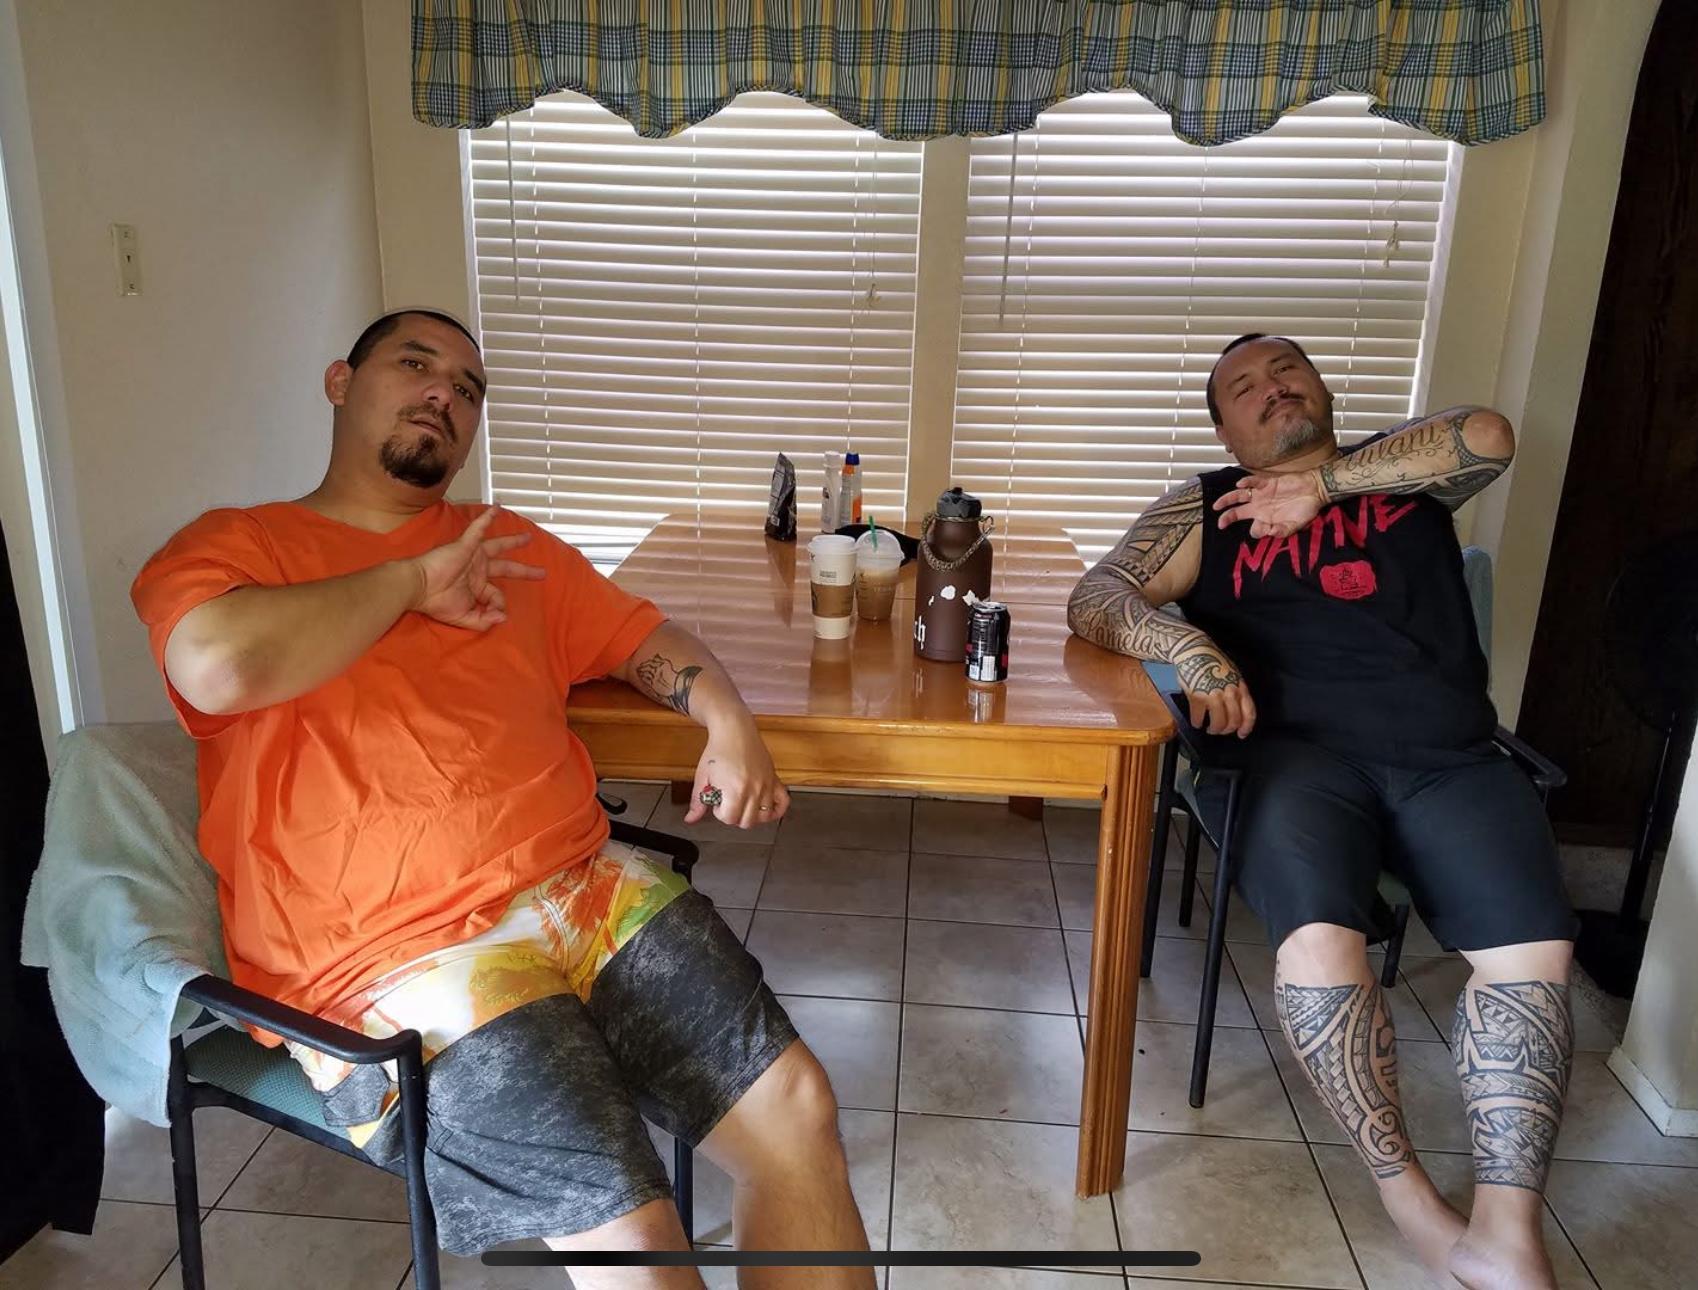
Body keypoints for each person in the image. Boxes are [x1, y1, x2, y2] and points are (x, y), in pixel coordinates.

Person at [131, 309, 874, 1290]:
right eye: (416, 364)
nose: (444, 392)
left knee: (798, 1112)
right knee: (636, 1236)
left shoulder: (508, 546)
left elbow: (641, 639)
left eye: (469, 388)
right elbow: (217, 666)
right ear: (340, 383)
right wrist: (409, 582)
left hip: (584, 891)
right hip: (391, 952)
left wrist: (725, 717)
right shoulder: (240, 545)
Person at [1067, 334, 1577, 1290]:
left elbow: (1489, 434)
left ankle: (1509, 1232)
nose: (1272, 389)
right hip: (1293, 760)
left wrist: (1323, 487)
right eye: (1243, 388)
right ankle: (1411, 1202)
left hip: (1451, 758)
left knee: (1533, 961)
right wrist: (1186, 647)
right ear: (1225, 433)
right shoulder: (1207, 508)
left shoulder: (1405, 474)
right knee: (1319, 952)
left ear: (1323, 388)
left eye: (1287, 369)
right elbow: (1097, 593)